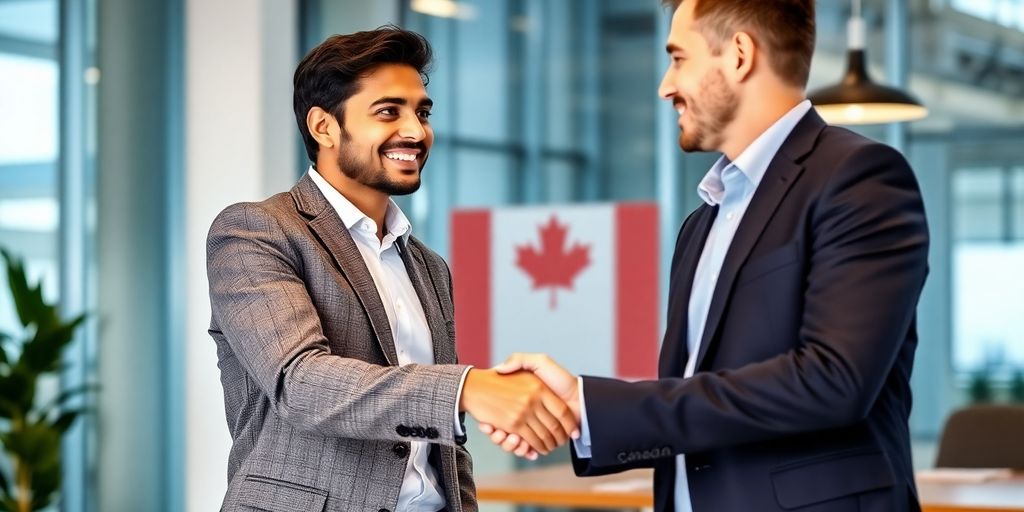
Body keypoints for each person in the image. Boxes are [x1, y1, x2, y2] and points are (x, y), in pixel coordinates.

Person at [483, 1, 930, 511]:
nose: (665, 86)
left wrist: (595, 407)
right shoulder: (704, 221)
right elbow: (700, 393)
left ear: (739, 55)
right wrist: (578, 408)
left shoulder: (859, 178)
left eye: (678, 58)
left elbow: (832, 380)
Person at [206, 27, 576, 512]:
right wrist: (468, 388)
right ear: (324, 127)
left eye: (422, 112)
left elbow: (443, 448)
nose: (416, 132)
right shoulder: (257, 231)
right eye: (388, 111)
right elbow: (301, 385)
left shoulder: (428, 266)